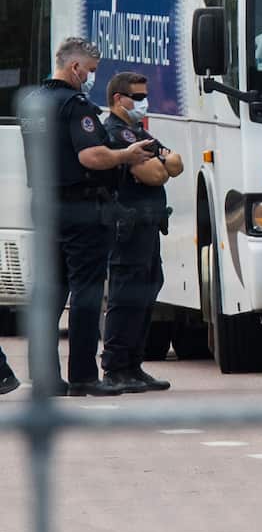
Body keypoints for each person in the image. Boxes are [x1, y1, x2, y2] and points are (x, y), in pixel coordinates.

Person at [19, 37, 155, 396]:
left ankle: (45, 377)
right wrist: (126, 155)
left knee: (50, 292)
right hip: (79, 208)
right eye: (91, 71)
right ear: (76, 67)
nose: (92, 77)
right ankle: (82, 375)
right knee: (86, 292)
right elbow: (91, 156)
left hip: (45, 204)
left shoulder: (33, 100)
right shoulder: (75, 105)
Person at [101, 72, 183, 392]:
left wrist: (162, 162)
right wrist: (161, 163)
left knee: (147, 293)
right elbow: (155, 174)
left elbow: (176, 164)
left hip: (148, 228)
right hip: (128, 229)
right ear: (119, 99)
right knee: (126, 297)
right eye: (137, 97)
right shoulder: (117, 134)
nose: (143, 102)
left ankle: (134, 366)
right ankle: (116, 367)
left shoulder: (137, 133)